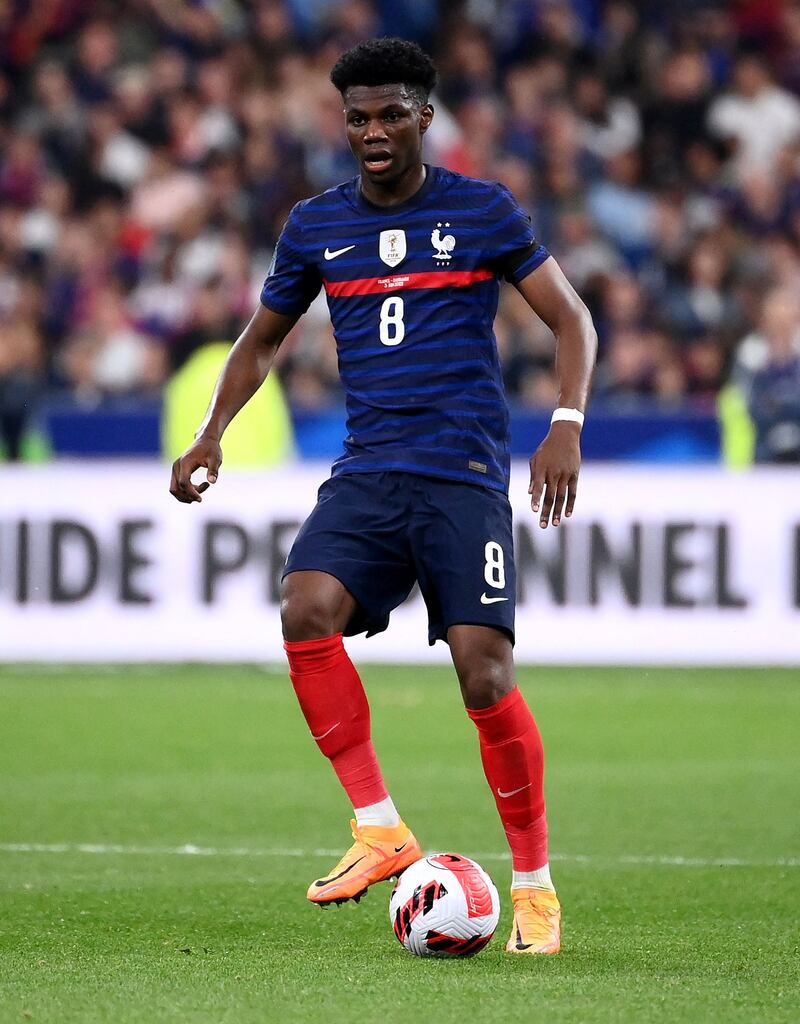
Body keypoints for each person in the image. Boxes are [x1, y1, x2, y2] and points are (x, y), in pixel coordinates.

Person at [170, 38, 596, 956]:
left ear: (424, 116)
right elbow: (259, 338)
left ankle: (534, 889)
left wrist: (566, 421)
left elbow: (571, 316)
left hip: (464, 473)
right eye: (357, 117)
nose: (372, 131)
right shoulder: (316, 226)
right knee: (303, 606)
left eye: (390, 114)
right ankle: (378, 826)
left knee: (483, 670)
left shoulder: (481, 211)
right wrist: (212, 431)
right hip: (370, 470)